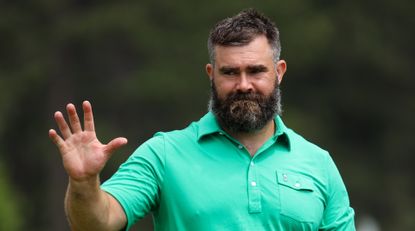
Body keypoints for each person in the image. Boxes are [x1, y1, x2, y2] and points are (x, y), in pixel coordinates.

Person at [49, 9, 355, 231]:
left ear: (279, 72)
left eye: (256, 71)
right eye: (230, 72)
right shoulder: (164, 155)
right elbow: (97, 223)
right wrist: (85, 182)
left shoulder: (319, 164)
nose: (243, 84)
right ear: (212, 75)